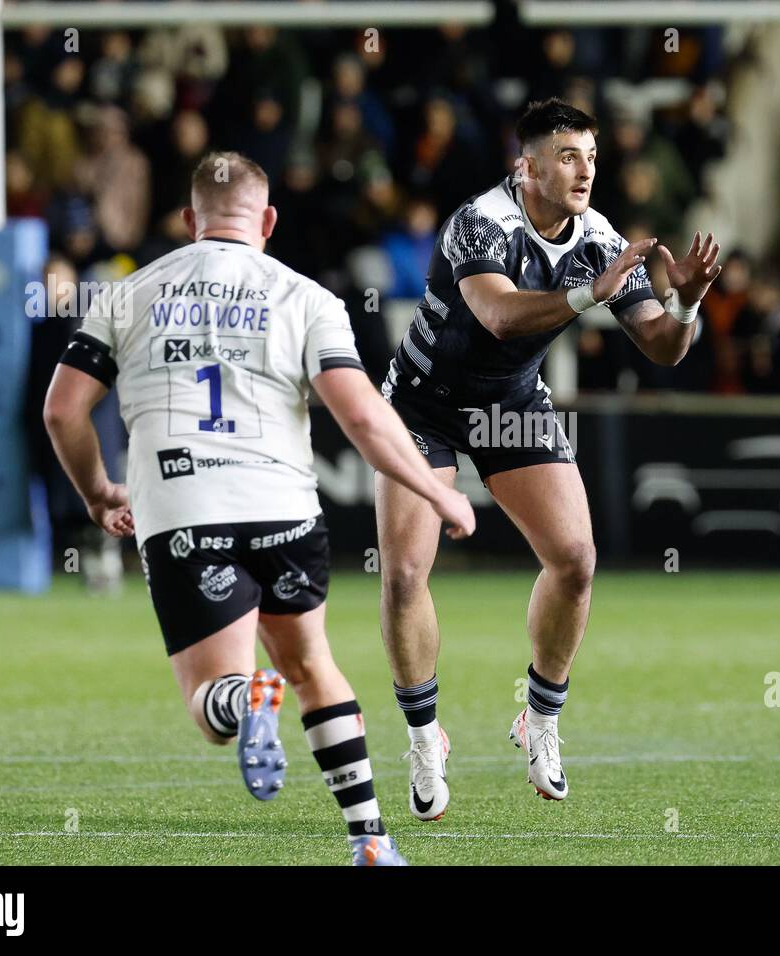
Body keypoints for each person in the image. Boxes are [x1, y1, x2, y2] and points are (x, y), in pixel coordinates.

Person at [43, 151, 476, 865]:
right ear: (267, 220)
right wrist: (433, 489)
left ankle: (248, 701)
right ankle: (369, 839)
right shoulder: (307, 297)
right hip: (284, 510)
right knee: (312, 662)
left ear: (189, 221)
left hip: (185, 510)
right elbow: (363, 417)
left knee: (215, 705)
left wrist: (96, 492)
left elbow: (63, 411)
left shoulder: (128, 293)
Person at [376, 98, 720, 820]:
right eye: (568, 155)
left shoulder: (598, 237)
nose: (585, 170)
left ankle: (540, 719)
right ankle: (422, 738)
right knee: (406, 572)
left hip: (509, 403)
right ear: (525, 165)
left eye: (591, 156)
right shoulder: (481, 220)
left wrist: (686, 307)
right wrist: (588, 293)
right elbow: (498, 313)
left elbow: (659, 345)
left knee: (575, 558)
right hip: (421, 405)